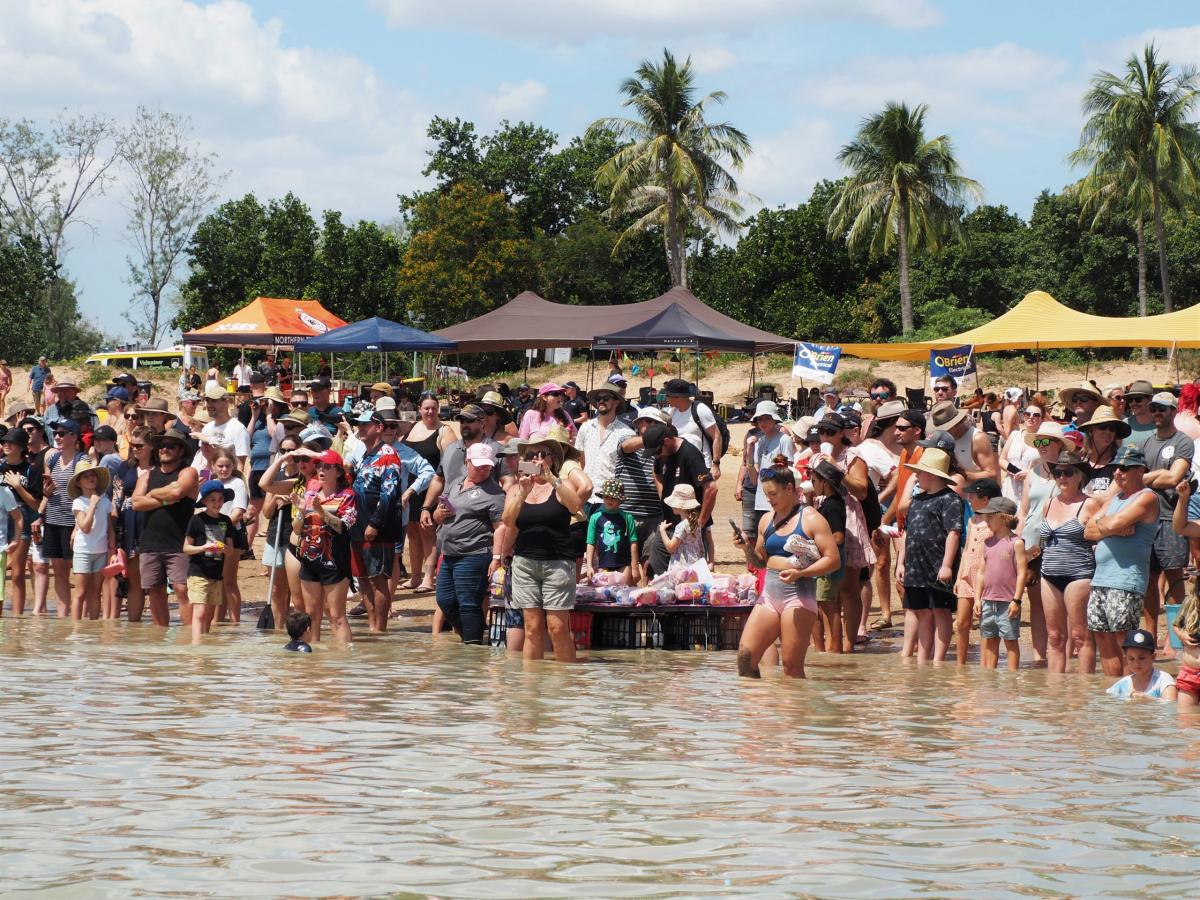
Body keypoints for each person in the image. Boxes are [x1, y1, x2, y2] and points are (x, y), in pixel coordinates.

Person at [733, 465, 840, 679]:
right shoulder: (766, 520)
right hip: (770, 593)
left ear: (790, 488)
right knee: (745, 658)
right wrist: (745, 548)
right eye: (766, 495)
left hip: (798, 595)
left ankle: (793, 711)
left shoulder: (811, 518)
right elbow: (760, 562)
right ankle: (756, 710)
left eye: (773, 494)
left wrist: (801, 573)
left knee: (791, 666)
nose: (769, 499)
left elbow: (833, 560)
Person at [501, 432, 584, 662]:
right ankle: (531, 688)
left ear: (551, 459)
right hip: (525, 562)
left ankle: (564, 686)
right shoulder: (516, 488)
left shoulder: (562, 484)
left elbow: (576, 506)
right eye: (531, 454)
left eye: (542, 454)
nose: (536, 458)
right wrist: (523, 493)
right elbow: (508, 521)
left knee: (557, 627)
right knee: (532, 628)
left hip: (557, 562)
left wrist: (551, 479)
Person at [1083, 445, 1159, 676]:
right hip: (1101, 580)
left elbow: (1111, 524)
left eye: (1124, 468)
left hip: (1126, 581)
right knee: (1103, 640)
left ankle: (1133, 695)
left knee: (1124, 642)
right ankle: (1113, 699)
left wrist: (1107, 525)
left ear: (1140, 470)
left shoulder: (1147, 497)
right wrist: (1112, 527)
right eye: (1116, 467)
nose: (1118, 473)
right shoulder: (1116, 497)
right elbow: (1087, 531)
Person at [895, 448, 964, 663]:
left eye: (919, 472)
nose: (915, 476)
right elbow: (908, 532)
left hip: (937, 563)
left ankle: (938, 661)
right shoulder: (917, 500)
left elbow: (953, 533)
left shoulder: (950, 499)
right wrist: (900, 562)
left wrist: (946, 565)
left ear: (932, 474)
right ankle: (922, 660)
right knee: (920, 611)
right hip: (915, 564)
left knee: (941, 611)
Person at [433, 442, 505, 644]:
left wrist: (497, 558)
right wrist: (437, 514)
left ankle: (472, 646)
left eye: (487, 467)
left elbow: (501, 527)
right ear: (467, 463)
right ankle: (471, 639)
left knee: (469, 603)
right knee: (445, 600)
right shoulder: (456, 483)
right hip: (448, 553)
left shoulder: (495, 493)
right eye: (479, 465)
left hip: (474, 553)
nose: (483, 470)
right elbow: (438, 514)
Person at [1038, 453, 1103, 673]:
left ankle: (1084, 695)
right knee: (1055, 636)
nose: (1062, 477)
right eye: (1058, 473)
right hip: (1048, 574)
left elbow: (1102, 536)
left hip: (1079, 574)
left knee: (1079, 636)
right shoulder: (1048, 504)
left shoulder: (1090, 503)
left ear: (1080, 475)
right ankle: (1055, 695)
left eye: (1068, 472)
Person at [1139, 390, 1193, 646]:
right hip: (1148, 518)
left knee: (1174, 576)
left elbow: (1174, 478)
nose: (1157, 413)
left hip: (1171, 517)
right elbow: (1139, 478)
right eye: (1154, 409)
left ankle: (1175, 639)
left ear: (1173, 411)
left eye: (1162, 408)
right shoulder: (1146, 442)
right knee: (1149, 579)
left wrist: (1149, 477)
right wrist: (1153, 477)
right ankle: (1150, 636)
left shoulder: (1183, 441)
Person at [132, 431, 199, 626]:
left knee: (182, 589)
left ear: (180, 450)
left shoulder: (188, 472)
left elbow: (178, 491)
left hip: (180, 542)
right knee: (155, 592)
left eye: (171, 445)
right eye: (162, 445)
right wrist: (165, 500)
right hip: (149, 542)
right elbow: (136, 503)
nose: (164, 449)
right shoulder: (147, 475)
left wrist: (152, 494)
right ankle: (160, 637)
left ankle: (188, 636)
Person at [348, 412, 405, 633]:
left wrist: (375, 523)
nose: (360, 428)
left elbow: (389, 494)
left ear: (379, 427)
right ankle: (372, 626)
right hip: (358, 525)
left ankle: (380, 629)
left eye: (365, 425)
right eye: (358, 425)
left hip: (378, 528)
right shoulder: (366, 454)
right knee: (363, 579)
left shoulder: (388, 454)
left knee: (377, 579)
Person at [294, 449, 357, 644]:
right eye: (319, 466)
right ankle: (315, 663)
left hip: (334, 561)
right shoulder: (311, 491)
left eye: (327, 467)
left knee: (336, 615)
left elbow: (343, 527)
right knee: (311, 614)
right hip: (309, 558)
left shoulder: (347, 495)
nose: (321, 470)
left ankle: (342, 661)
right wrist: (301, 512)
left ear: (338, 472)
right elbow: (297, 530)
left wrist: (321, 511)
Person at [641, 423, 717, 576]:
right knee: (655, 571)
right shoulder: (662, 454)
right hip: (668, 524)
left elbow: (711, 488)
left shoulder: (689, 454)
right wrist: (665, 497)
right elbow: (656, 473)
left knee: (689, 577)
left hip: (688, 527)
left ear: (667, 440)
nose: (656, 456)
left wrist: (700, 523)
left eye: (657, 451)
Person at [403, 392, 455, 592]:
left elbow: (449, 464)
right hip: (410, 487)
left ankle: (428, 577)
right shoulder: (412, 428)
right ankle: (415, 575)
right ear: (419, 409)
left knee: (428, 533)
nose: (430, 411)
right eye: (427, 408)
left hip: (432, 488)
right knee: (413, 532)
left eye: (434, 408)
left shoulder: (445, 431)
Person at [38, 418, 88, 617]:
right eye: (55, 433)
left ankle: (81, 616)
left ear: (74, 437)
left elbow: (88, 490)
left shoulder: (82, 460)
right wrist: (40, 514)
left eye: (62, 433)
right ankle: (62, 614)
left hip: (74, 521)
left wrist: (78, 525)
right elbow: (47, 492)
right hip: (53, 519)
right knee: (58, 571)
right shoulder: (52, 459)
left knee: (79, 573)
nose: (57, 437)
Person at [973, 497, 1026, 671]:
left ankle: (1012, 679)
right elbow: (981, 572)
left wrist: (1016, 600)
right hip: (987, 600)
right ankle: (989, 679)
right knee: (990, 640)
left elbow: (1022, 573)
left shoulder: (1016, 543)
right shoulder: (987, 543)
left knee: (1010, 640)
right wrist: (977, 599)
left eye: (990, 517)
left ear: (1003, 517)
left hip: (1007, 602)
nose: (986, 521)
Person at [953, 478, 1001, 666]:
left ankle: (984, 665)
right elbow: (966, 549)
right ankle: (960, 664)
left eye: (972, 496)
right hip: (967, 574)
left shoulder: (995, 522)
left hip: (986, 576)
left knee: (985, 622)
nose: (969, 499)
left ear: (986, 499)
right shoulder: (972, 520)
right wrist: (958, 577)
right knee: (962, 623)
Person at [183, 479, 234, 639]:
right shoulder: (197, 520)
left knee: (210, 615)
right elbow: (186, 548)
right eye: (212, 499)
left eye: (220, 499)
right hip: (198, 573)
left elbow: (231, 551)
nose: (217, 503)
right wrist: (203, 548)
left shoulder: (226, 520)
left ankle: (202, 643)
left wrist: (224, 549)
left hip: (216, 575)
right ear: (204, 501)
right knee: (200, 612)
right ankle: (197, 648)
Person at [575, 383, 634, 514]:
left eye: (606, 398)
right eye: (598, 398)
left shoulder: (626, 433)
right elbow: (582, 460)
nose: (601, 401)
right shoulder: (586, 428)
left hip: (609, 500)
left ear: (616, 402)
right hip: (586, 496)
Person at [808, 459, 848, 653]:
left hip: (828, 565)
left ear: (825, 482)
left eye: (814, 480)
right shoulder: (831, 503)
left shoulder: (832, 506)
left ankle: (834, 650)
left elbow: (838, 537)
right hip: (828, 563)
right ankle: (826, 649)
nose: (812, 484)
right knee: (823, 605)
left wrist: (816, 546)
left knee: (828, 607)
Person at [0, 427, 39, 617]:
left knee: (16, 574)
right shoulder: (0, 466)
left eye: (11, 442)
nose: (6, 444)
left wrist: (18, 487)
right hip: (0, 521)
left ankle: (17, 619)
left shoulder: (30, 469)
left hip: (20, 521)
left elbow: (36, 504)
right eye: (4, 441)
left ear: (22, 446)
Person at [212, 447, 248, 624]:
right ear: (213, 466)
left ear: (233, 465)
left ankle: (235, 623)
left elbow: (238, 512)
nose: (224, 469)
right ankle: (217, 622)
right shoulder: (209, 483)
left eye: (227, 466)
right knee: (217, 581)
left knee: (229, 580)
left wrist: (219, 529)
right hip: (211, 534)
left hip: (231, 533)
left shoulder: (238, 483)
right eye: (220, 466)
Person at [663, 379, 722, 481]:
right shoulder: (671, 412)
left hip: (701, 465)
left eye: (668, 395)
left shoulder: (700, 409)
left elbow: (717, 436)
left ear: (678, 397)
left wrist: (716, 464)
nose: (666, 398)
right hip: (680, 465)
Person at [929, 400, 999, 486]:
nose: (944, 431)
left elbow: (992, 475)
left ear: (958, 422)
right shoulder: (942, 438)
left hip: (973, 496)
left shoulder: (977, 438)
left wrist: (964, 475)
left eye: (947, 427)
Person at [583, 479, 639, 584]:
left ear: (620, 499)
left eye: (613, 497)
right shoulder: (595, 517)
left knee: (623, 594)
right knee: (604, 595)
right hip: (604, 564)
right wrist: (590, 566)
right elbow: (590, 543)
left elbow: (633, 542)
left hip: (624, 564)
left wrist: (634, 566)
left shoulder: (627, 517)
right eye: (606, 497)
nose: (609, 500)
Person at [1106, 629, 1177, 700]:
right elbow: (1106, 700)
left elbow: (1170, 704)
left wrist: (1148, 699)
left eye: (1142, 658)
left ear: (1153, 656)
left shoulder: (1163, 681)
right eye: (1131, 659)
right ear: (1126, 658)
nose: (1136, 663)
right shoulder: (1123, 684)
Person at [1079, 405, 1128, 497]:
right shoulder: (1079, 462)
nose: (1108, 431)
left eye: (1112, 429)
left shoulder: (1121, 465)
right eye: (1102, 427)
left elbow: (1109, 498)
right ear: (1091, 431)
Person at [198, 386, 250, 471]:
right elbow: (205, 461)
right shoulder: (207, 428)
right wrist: (205, 480)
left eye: (214, 401)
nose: (209, 405)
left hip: (227, 481)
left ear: (226, 402)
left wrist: (234, 483)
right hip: (208, 479)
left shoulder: (238, 429)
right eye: (207, 401)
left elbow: (240, 466)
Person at [659, 485, 705, 573]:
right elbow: (701, 546)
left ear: (679, 506)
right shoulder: (696, 523)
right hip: (695, 565)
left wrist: (662, 531)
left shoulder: (681, 526)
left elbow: (671, 548)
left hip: (682, 568)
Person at [1122, 379, 1157, 449]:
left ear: (1150, 399)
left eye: (1138, 399)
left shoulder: (1162, 425)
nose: (1133, 403)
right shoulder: (1124, 425)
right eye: (1130, 400)